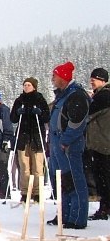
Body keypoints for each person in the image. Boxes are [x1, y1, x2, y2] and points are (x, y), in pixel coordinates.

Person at [46, 61, 91, 229]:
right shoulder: (63, 94)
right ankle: (64, 215)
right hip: (57, 142)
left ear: (63, 78)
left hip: (69, 144)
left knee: (74, 180)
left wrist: (65, 140)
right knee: (62, 181)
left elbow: (77, 122)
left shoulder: (76, 95)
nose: (52, 79)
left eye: (55, 76)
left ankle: (77, 217)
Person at [9, 77, 50, 203]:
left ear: (34, 87)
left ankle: (37, 192)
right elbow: (13, 119)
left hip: (36, 138)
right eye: (25, 85)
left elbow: (46, 117)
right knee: (24, 167)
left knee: (37, 167)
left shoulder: (40, 99)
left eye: (29, 85)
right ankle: (25, 192)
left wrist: (40, 113)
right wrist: (17, 112)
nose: (26, 87)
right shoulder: (19, 100)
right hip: (23, 138)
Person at [86, 67, 110, 220]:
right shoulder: (101, 95)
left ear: (102, 80)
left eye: (94, 80)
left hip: (103, 143)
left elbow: (89, 112)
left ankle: (105, 207)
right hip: (102, 141)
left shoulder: (104, 96)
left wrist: (89, 100)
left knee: (103, 177)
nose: (92, 82)